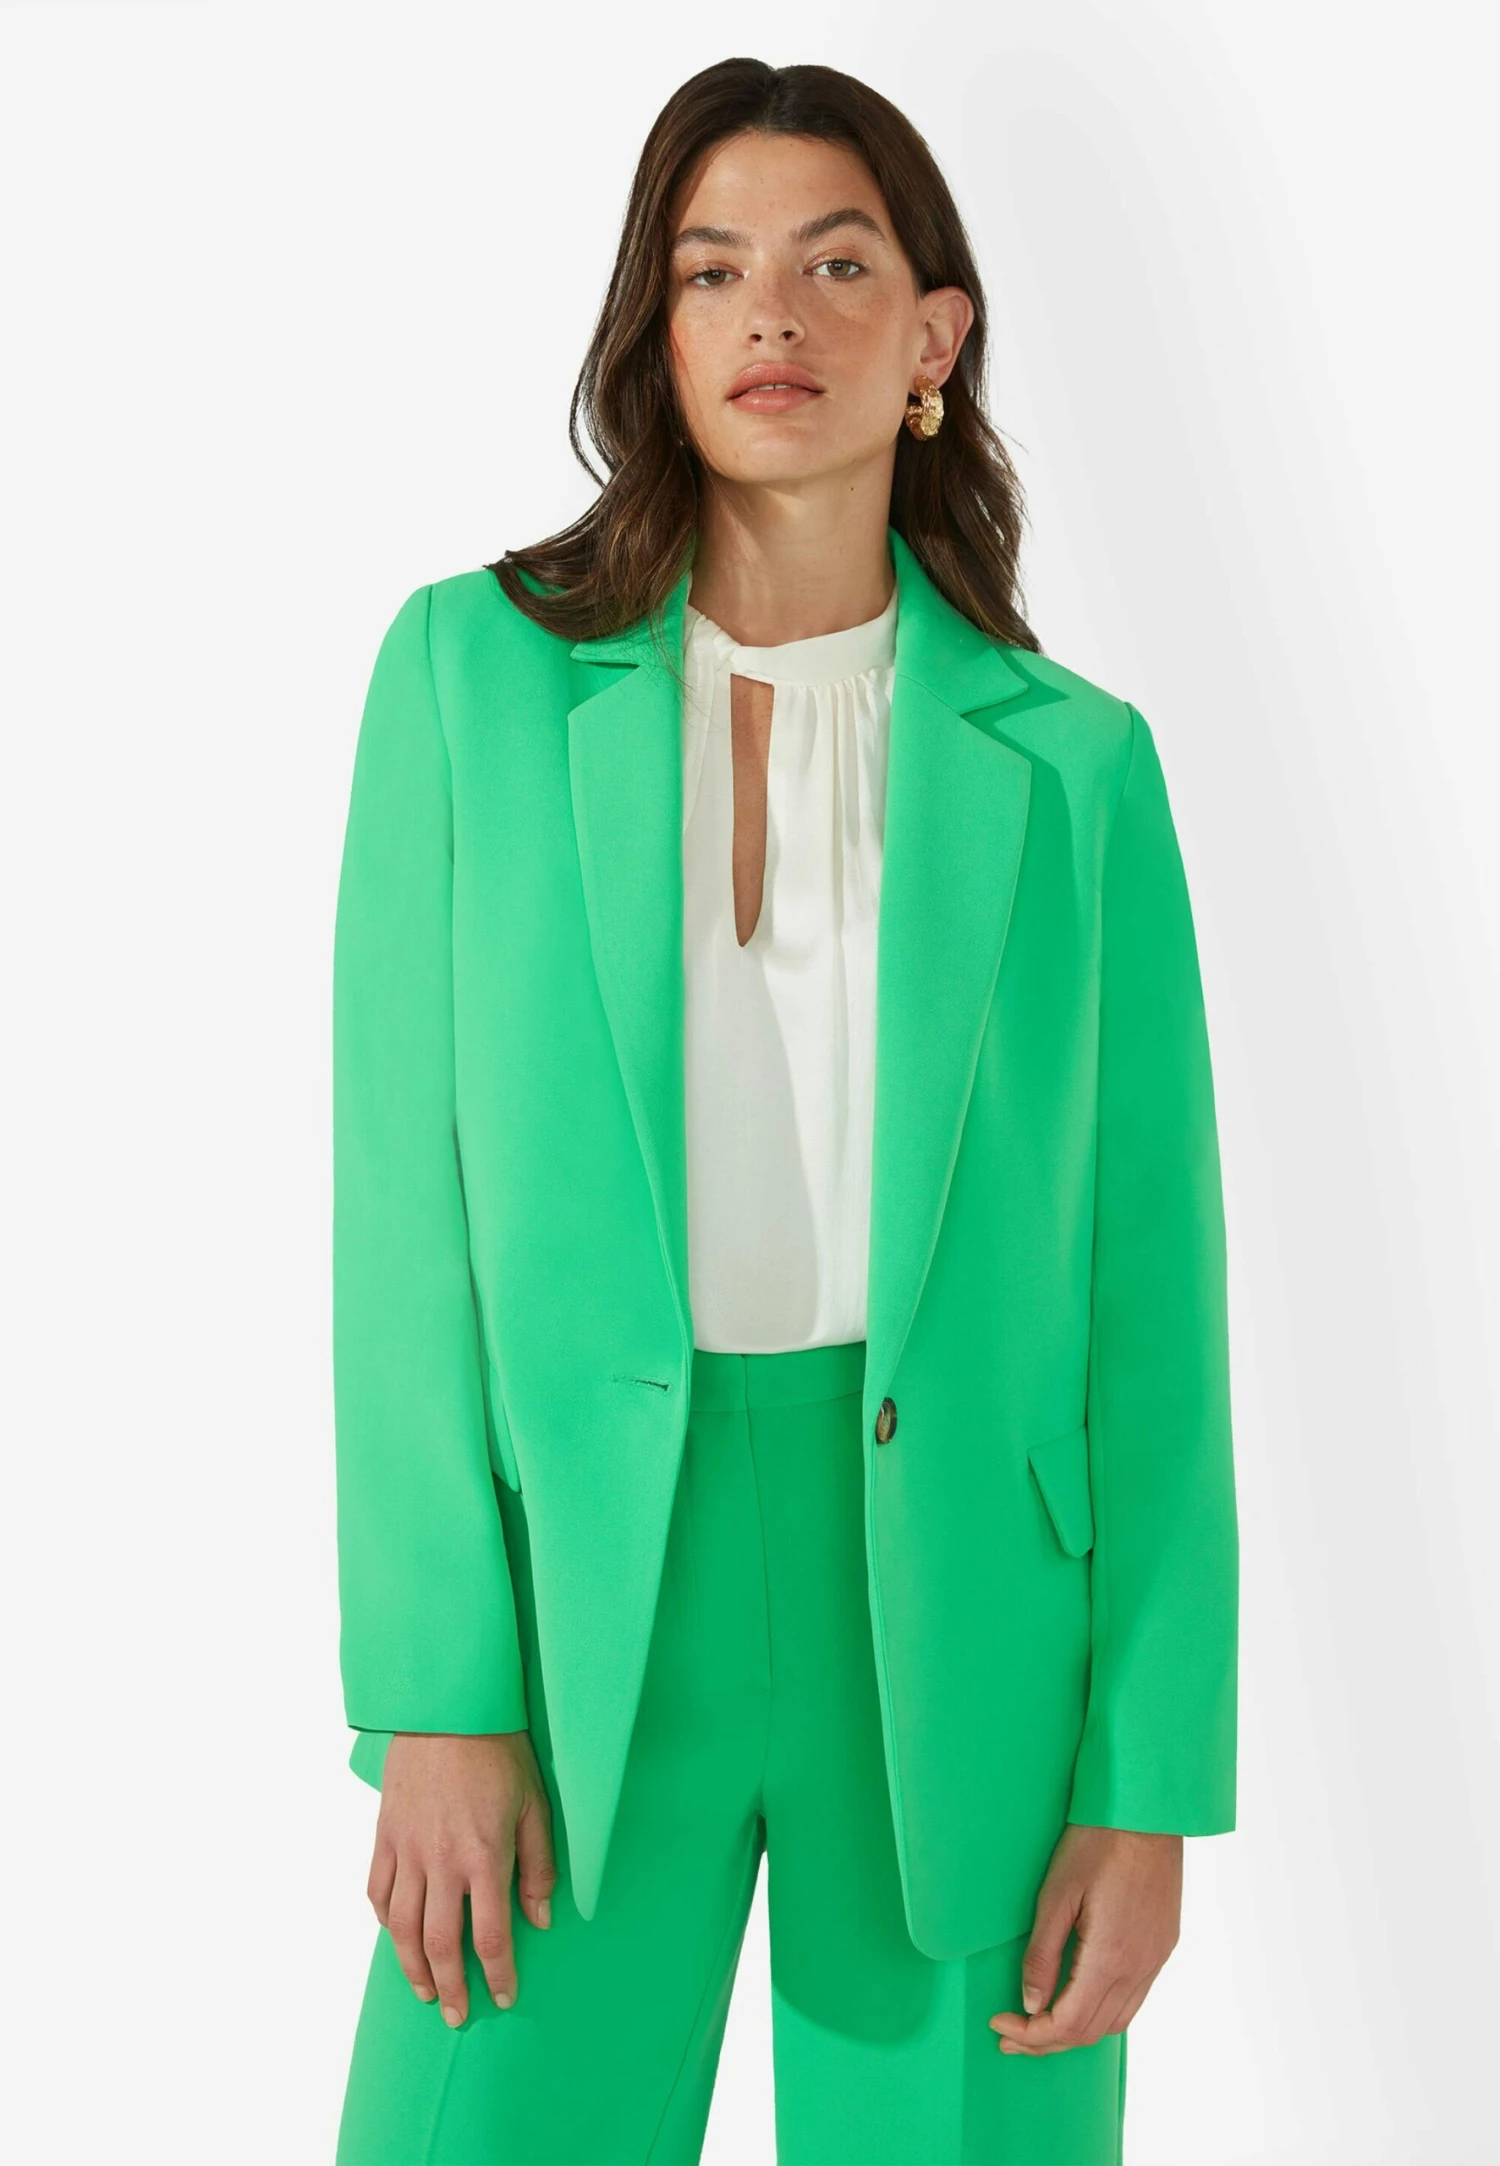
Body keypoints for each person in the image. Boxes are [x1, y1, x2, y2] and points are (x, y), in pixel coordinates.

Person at [331, 55, 1238, 2166]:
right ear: (656, 332)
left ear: (933, 340)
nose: (774, 317)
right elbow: (399, 1223)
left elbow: (1154, 1311)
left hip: (968, 1640)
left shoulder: (1075, 771)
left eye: (838, 267)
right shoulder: (469, 682)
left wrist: (1149, 1780)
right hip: (575, 1626)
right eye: (712, 269)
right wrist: (436, 1691)